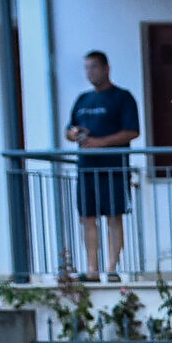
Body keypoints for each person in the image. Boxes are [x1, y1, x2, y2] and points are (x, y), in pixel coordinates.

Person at [64, 51, 141, 279]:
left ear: (107, 68)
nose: (90, 72)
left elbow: (132, 131)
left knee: (113, 216)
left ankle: (112, 268)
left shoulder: (122, 98)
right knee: (87, 217)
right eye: (86, 68)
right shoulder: (82, 100)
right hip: (86, 169)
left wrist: (100, 143)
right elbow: (69, 131)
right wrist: (75, 133)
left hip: (113, 168)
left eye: (94, 67)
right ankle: (92, 270)